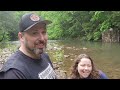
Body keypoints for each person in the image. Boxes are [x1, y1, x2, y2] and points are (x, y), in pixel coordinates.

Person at [0, 12, 57, 79]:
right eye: (34, 33)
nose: (42, 38)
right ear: (21, 37)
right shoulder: (14, 73)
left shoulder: (44, 56)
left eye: (44, 32)